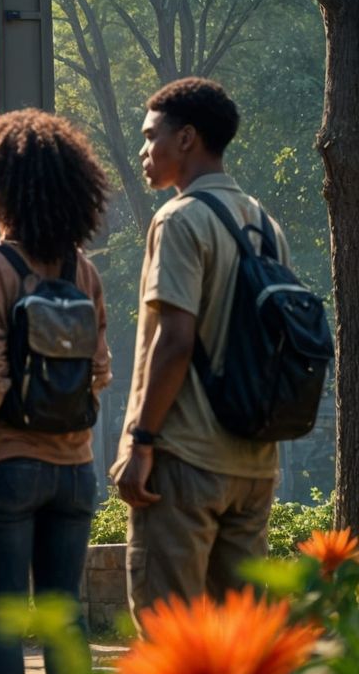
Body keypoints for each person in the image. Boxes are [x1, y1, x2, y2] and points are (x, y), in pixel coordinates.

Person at [0, 111, 112, 674]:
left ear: (7, 189)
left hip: (7, 468)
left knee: (3, 617)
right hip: (75, 470)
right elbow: (99, 373)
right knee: (66, 613)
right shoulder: (84, 272)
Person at [115, 78, 292, 611]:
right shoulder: (266, 224)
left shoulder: (180, 219)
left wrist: (141, 443)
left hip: (185, 461)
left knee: (171, 637)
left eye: (151, 137)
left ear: (187, 138)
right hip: (255, 463)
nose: (144, 151)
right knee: (241, 647)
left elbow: (174, 341)